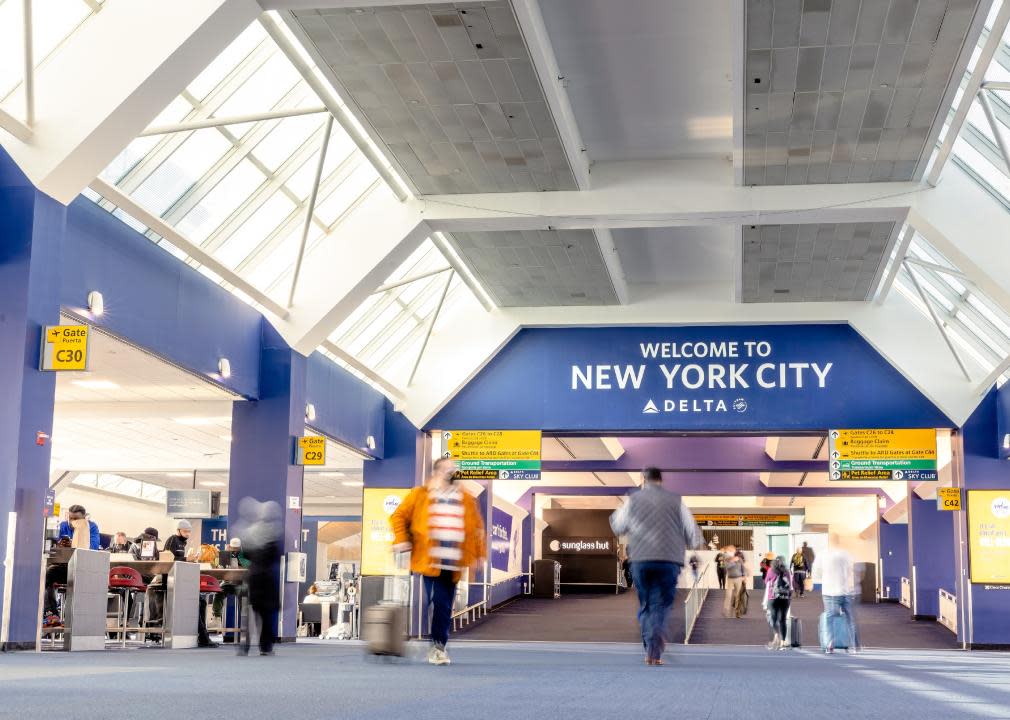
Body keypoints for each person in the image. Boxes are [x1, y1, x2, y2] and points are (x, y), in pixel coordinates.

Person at [391, 457, 486, 666]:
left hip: (453, 564)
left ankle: (437, 645)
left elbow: (477, 529)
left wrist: (479, 555)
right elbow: (398, 516)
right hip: (429, 561)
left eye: (454, 468)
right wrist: (401, 541)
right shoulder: (420, 495)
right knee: (436, 601)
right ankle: (437, 646)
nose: (452, 471)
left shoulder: (467, 499)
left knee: (442, 604)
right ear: (436, 471)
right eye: (447, 467)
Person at [610, 466, 704, 666]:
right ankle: (656, 648)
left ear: (643, 480)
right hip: (669, 561)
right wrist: (693, 548)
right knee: (661, 605)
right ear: (661, 480)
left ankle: (649, 647)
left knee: (645, 605)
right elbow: (692, 532)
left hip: (641, 560)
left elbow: (617, 525)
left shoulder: (633, 500)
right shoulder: (677, 501)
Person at [235, 498, 284, 657]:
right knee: (267, 615)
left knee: (251, 614)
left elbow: (245, 556)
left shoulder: (249, 532)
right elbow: (278, 556)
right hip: (268, 579)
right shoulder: (274, 533)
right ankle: (266, 647)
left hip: (254, 578)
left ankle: (245, 646)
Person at [43, 506, 101, 626]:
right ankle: (51, 615)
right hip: (64, 567)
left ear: (84, 518)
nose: (72, 521)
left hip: (83, 569)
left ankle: (78, 620)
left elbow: (94, 547)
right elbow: (51, 544)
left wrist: (74, 543)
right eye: (71, 518)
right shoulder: (63, 526)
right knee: (47, 573)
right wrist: (59, 545)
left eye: (76, 519)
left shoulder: (92, 527)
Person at [816, 533, 860, 654]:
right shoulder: (845, 554)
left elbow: (817, 572)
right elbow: (852, 571)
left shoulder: (823, 554)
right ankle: (854, 646)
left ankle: (830, 645)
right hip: (845, 591)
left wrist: (824, 578)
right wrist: (854, 586)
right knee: (850, 619)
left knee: (830, 619)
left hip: (829, 592)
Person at [763, 556, 792, 651]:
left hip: (773, 597)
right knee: (783, 619)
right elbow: (791, 586)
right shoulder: (787, 572)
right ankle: (783, 642)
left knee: (773, 618)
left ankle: (776, 635)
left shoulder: (771, 570)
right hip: (785, 598)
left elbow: (766, 581)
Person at [723, 546, 747, 618]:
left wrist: (744, 576)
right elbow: (727, 567)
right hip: (730, 579)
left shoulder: (739, 559)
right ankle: (726, 611)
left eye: (732, 551)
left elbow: (743, 567)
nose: (731, 552)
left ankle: (738, 612)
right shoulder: (727, 559)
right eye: (729, 551)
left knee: (738, 596)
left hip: (739, 578)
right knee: (728, 595)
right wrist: (733, 560)